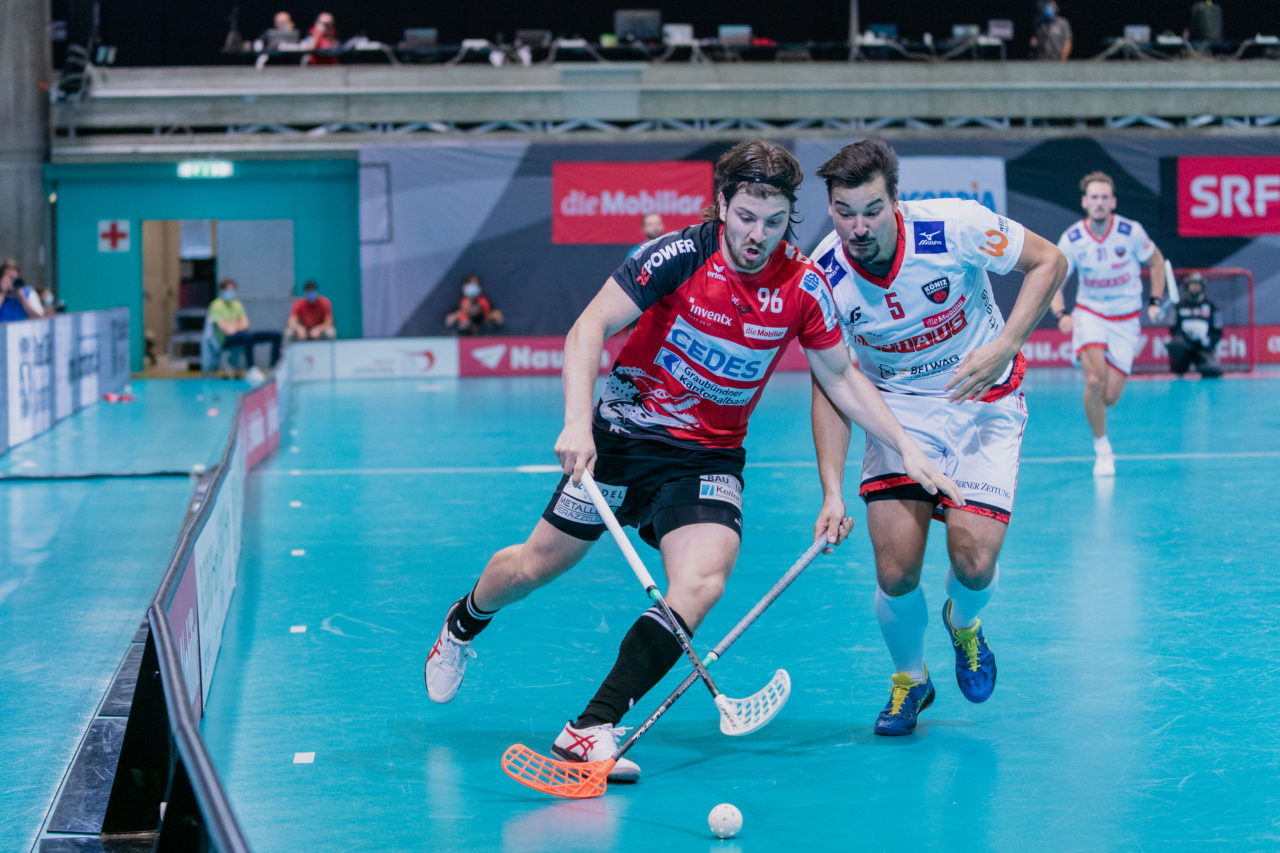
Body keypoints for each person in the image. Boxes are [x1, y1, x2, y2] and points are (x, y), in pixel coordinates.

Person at [423, 139, 963, 781]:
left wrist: (906, 449)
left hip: (707, 457)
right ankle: (463, 622)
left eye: (774, 221)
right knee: (531, 567)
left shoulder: (804, 287)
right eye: (744, 218)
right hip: (622, 439)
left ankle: (589, 729)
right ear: (720, 207)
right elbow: (587, 329)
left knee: (702, 581)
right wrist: (577, 420)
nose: (757, 235)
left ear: (792, 216)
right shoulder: (679, 256)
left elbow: (842, 379)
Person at [808, 138, 1066, 736]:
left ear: (896, 200)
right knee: (896, 569)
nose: (858, 226)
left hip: (983, 400)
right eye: (844, 212)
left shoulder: (954, 227)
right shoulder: (822, 276)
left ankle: (965, 624)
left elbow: (1050, 262)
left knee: (973, 562)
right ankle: (910, 680)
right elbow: (829, 382)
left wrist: (1004, 345)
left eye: (871, 209)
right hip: (896, 411)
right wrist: (830, 490)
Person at [1050, 171, 1166, 477]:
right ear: (1085, 202)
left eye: (1104, 197)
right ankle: (1102, 448)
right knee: (1095, 382)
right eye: (1094, 198)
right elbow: (1053, 278)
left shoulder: (1131, 232)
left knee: (1110, 396)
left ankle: (1093, 364)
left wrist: (1155, 301)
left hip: (1126, 320)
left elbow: (1156, 261)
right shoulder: (1073, 238)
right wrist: (1062, 313)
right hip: (1090, 314)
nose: (1099, 203)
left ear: (1112, 202)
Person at [207, 278, 282, 371]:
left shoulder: (237, 304)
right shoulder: (215, 305)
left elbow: (246, 324)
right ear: (222, 291)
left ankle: (274, 367)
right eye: (228, 290)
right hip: (225, 339)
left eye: (232, 290)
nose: (231, 292)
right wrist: (236, 324)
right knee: (248, 338)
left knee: (276, 335)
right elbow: (224, 328)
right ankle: (251, 368)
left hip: (242, 334)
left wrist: (232, 325)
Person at [1167, 272, 1222, 378]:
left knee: (1213, 370)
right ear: (1187, 287)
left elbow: (1218, 330)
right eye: (1192, 284)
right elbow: (1173, 328)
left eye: (1197, 284)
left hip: (1203, 347)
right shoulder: (1179, 306)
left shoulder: (1211, 307)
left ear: (1202, 287)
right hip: (1185, 345)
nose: (1195, 287)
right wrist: (1184, 336)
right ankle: (1180, 368)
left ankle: (1203, 363)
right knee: (1175, 346)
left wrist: (1208, 340)